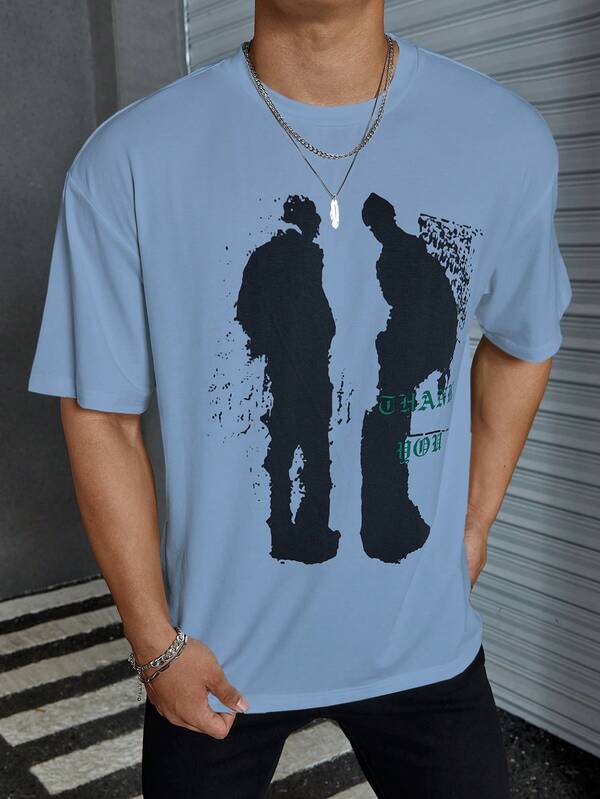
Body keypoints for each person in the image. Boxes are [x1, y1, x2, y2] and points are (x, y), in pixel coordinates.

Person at [27, 0, 572, 796]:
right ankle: (298, 530)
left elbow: (525, 340)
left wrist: (475, 520)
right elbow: (100, 411)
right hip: (214, 655)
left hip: (425, 648)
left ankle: (333, 526)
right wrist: (153, 642)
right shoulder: (130, 159)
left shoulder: (504, 139)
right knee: (294, 455)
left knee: (328, 454)